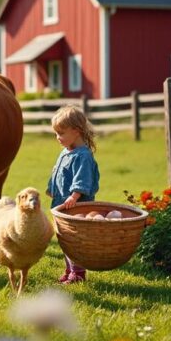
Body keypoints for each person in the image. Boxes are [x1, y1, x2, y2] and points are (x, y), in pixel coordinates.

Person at [47, 104, 100, 284]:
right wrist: (51, 189)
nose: (57, 138)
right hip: (62, 202)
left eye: (61, 133)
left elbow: (82, 179)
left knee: (74, 239)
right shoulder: (66, 151)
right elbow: (58, 172)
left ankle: (78, 274)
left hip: (76, 205)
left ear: (76, 131)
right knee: (65, 239)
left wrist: (74, 196)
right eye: (56, 133)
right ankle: (70, 270)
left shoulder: (82, 156)